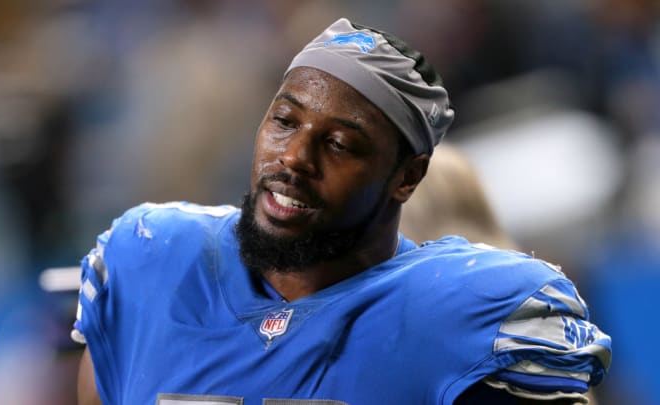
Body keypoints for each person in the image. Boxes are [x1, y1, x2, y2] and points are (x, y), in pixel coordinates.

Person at [73, 18, 611, 405]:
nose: (294, 158)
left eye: (339, 144)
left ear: (407, 177)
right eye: (285, 121)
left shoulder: (470, 317)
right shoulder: (148, 261)